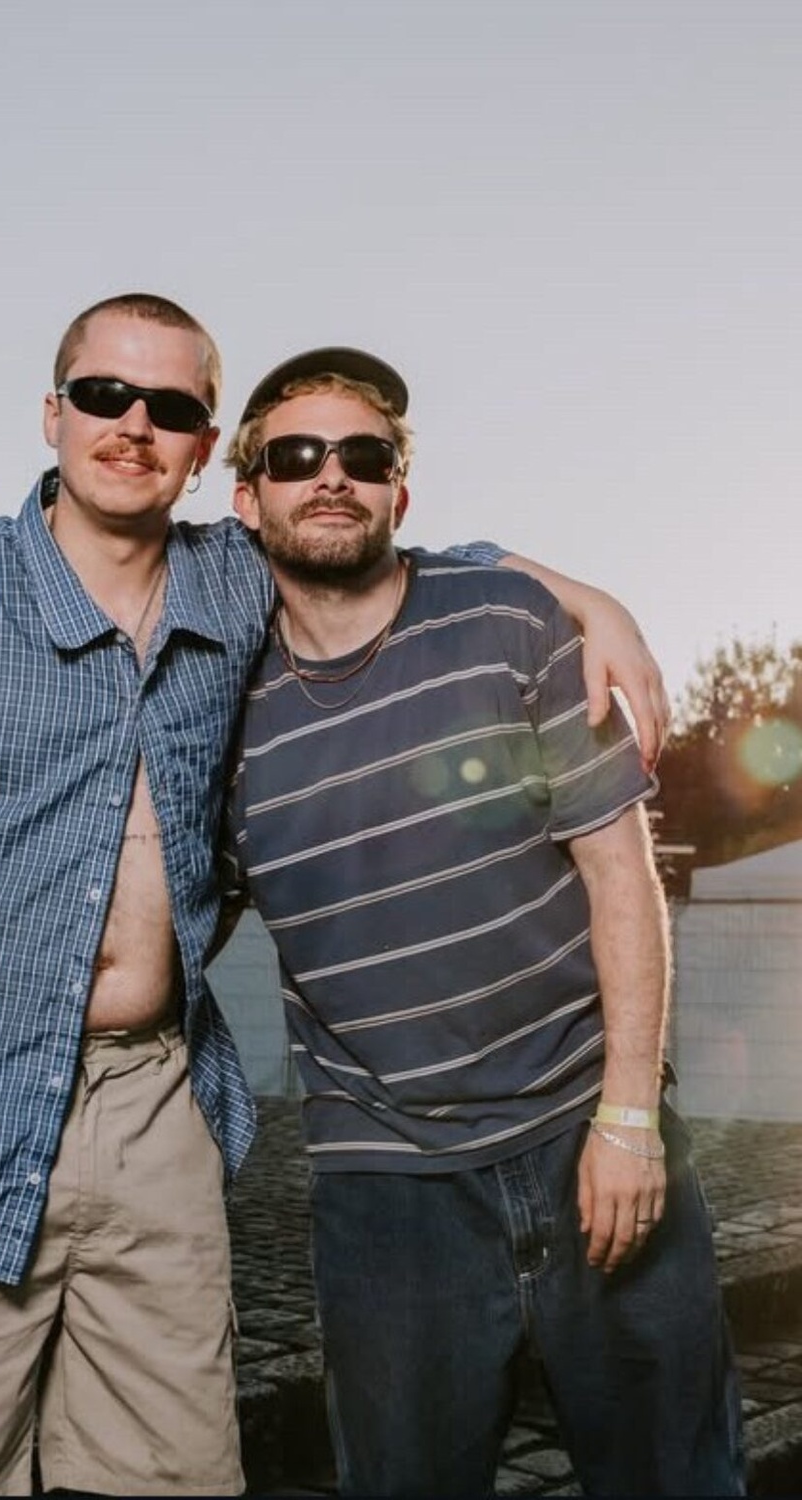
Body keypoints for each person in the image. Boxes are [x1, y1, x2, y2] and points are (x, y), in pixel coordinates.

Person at [0, 293, 669, 1496]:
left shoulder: (235, 582)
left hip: (156, 1106)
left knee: (176, 1475)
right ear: (52, 413)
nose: (133, 424)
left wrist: (588, 599)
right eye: (104, 395)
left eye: (171, 407)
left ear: (205, 450)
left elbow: (392, 553)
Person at [223, 346, 744, 1497]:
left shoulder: (507, 617)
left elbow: (620, 872)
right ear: (245, 497)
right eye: (296, 455)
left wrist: (628, 1119)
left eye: (364, 457)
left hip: (585, 1130)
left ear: (400, 494)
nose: (331, 476)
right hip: (387, 1186)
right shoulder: (220, 694)